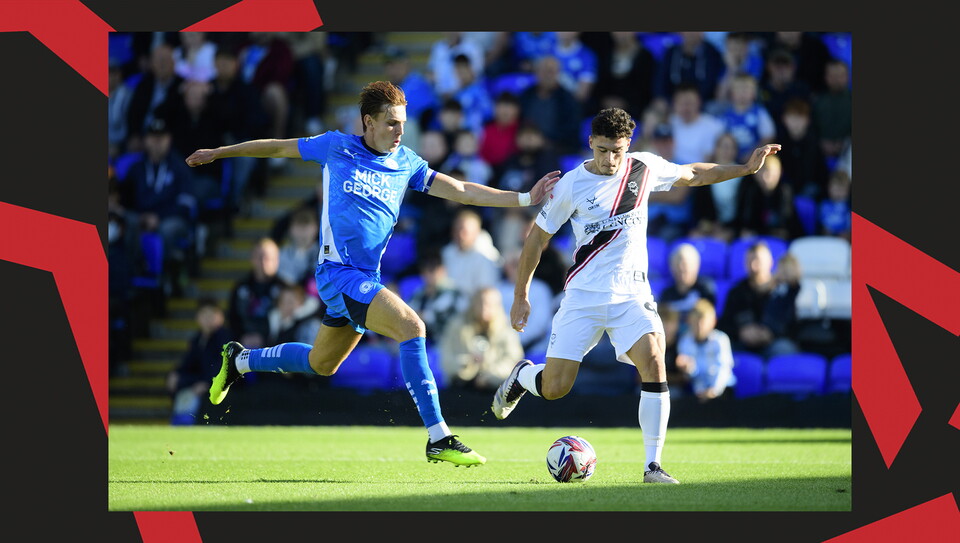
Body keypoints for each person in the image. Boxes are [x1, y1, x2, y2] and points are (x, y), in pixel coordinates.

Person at [185, 80, 559, 467]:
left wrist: (523, 198)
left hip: (366, 279)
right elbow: (278, 147)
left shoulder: (406, 162)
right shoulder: (335, 146)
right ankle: (439, 437)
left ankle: (240, 360)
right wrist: (219, 153)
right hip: (337, 274)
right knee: (412, 328)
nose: (400, 131)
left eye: (403, 124)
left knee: (321, 364)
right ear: (369, 122)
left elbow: (462, 189)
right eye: (392, 123)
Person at [490, 106, 780, 484]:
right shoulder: (570, 185)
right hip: (583, 297)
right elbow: (536, 240)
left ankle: (652, 466)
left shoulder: (643, 167)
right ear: (590, 143)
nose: (610, 159)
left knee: (655, 360)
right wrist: (521, 295)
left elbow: (693, 173)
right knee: (556, 388)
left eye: (617, 151)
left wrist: (744, 168)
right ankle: (524, 376)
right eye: (602, 150)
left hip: (631, 294)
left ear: (628, 145)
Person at [439, 286, 524, 390]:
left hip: (496, 388)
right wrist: (468, 363)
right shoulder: (457, 327)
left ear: (497, 305)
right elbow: (447, 360)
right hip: (461, 386)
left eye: (489, 304)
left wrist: (489, 375)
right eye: (480, 303)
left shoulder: (506, 329)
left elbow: (513, 361)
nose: (484, 307)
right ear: (473, 304)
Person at [166, 298, 233, 424]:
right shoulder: (198, 340)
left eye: (211, 314)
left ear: (220, 316)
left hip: (218, 386)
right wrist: (176, 374)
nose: (207, 318)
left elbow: (223, 367)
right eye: (203, 314)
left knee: (189, 398)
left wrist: (207, 383)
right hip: (199, 382)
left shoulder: (225, 337)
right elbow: (188, 364)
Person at [227, 237, 286, 349]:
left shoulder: (285, 288)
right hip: (244, 346)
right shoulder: (240, 288)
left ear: (277, 260)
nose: (263, 262)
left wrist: (265, 338)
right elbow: (232, 317)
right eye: (259, 257)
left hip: (276, 348)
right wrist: (241, 336)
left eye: (268, 258)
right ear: (252, 259)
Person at [674, 298, 736, 402]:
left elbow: (724, 369)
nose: (699, 326)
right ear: (689, 321)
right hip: (698, 392)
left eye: (703, 322)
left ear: (713, 322)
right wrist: (687, 369)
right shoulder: (684, 342)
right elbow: (692, 375)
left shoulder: (721, 340)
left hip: (723, 390)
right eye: (695, 321)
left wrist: (714, 391)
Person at [658, 242, 718, 333]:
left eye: (685, 264)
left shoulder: (706, 289)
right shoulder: (666, 293)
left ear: (696, 265)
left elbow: (708, 318)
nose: (681, 268)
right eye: (676, 264)